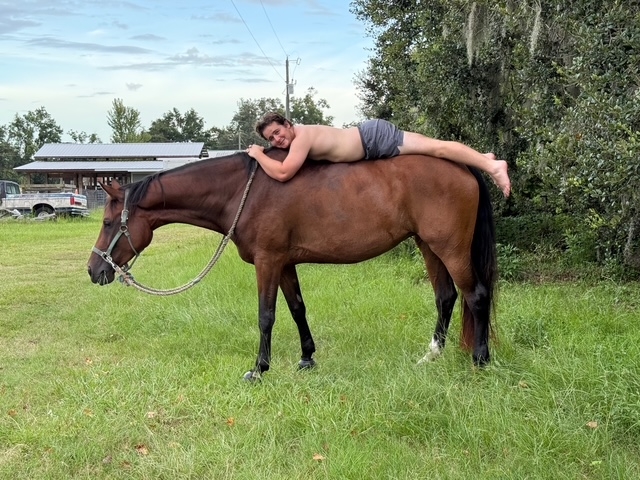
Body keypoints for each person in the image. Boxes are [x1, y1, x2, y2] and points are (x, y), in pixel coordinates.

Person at [246, 112, 511, 197]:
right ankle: (482, 157)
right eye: (271, 139)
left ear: (288, 124)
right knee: (433, 146)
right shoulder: (298, 136)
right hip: (370, 140)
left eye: (278, 132)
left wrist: (258, 153)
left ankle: (493, 166)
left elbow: (283, 173)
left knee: (436, 148)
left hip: (373, 140)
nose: (277, 140)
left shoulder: (301, 138)